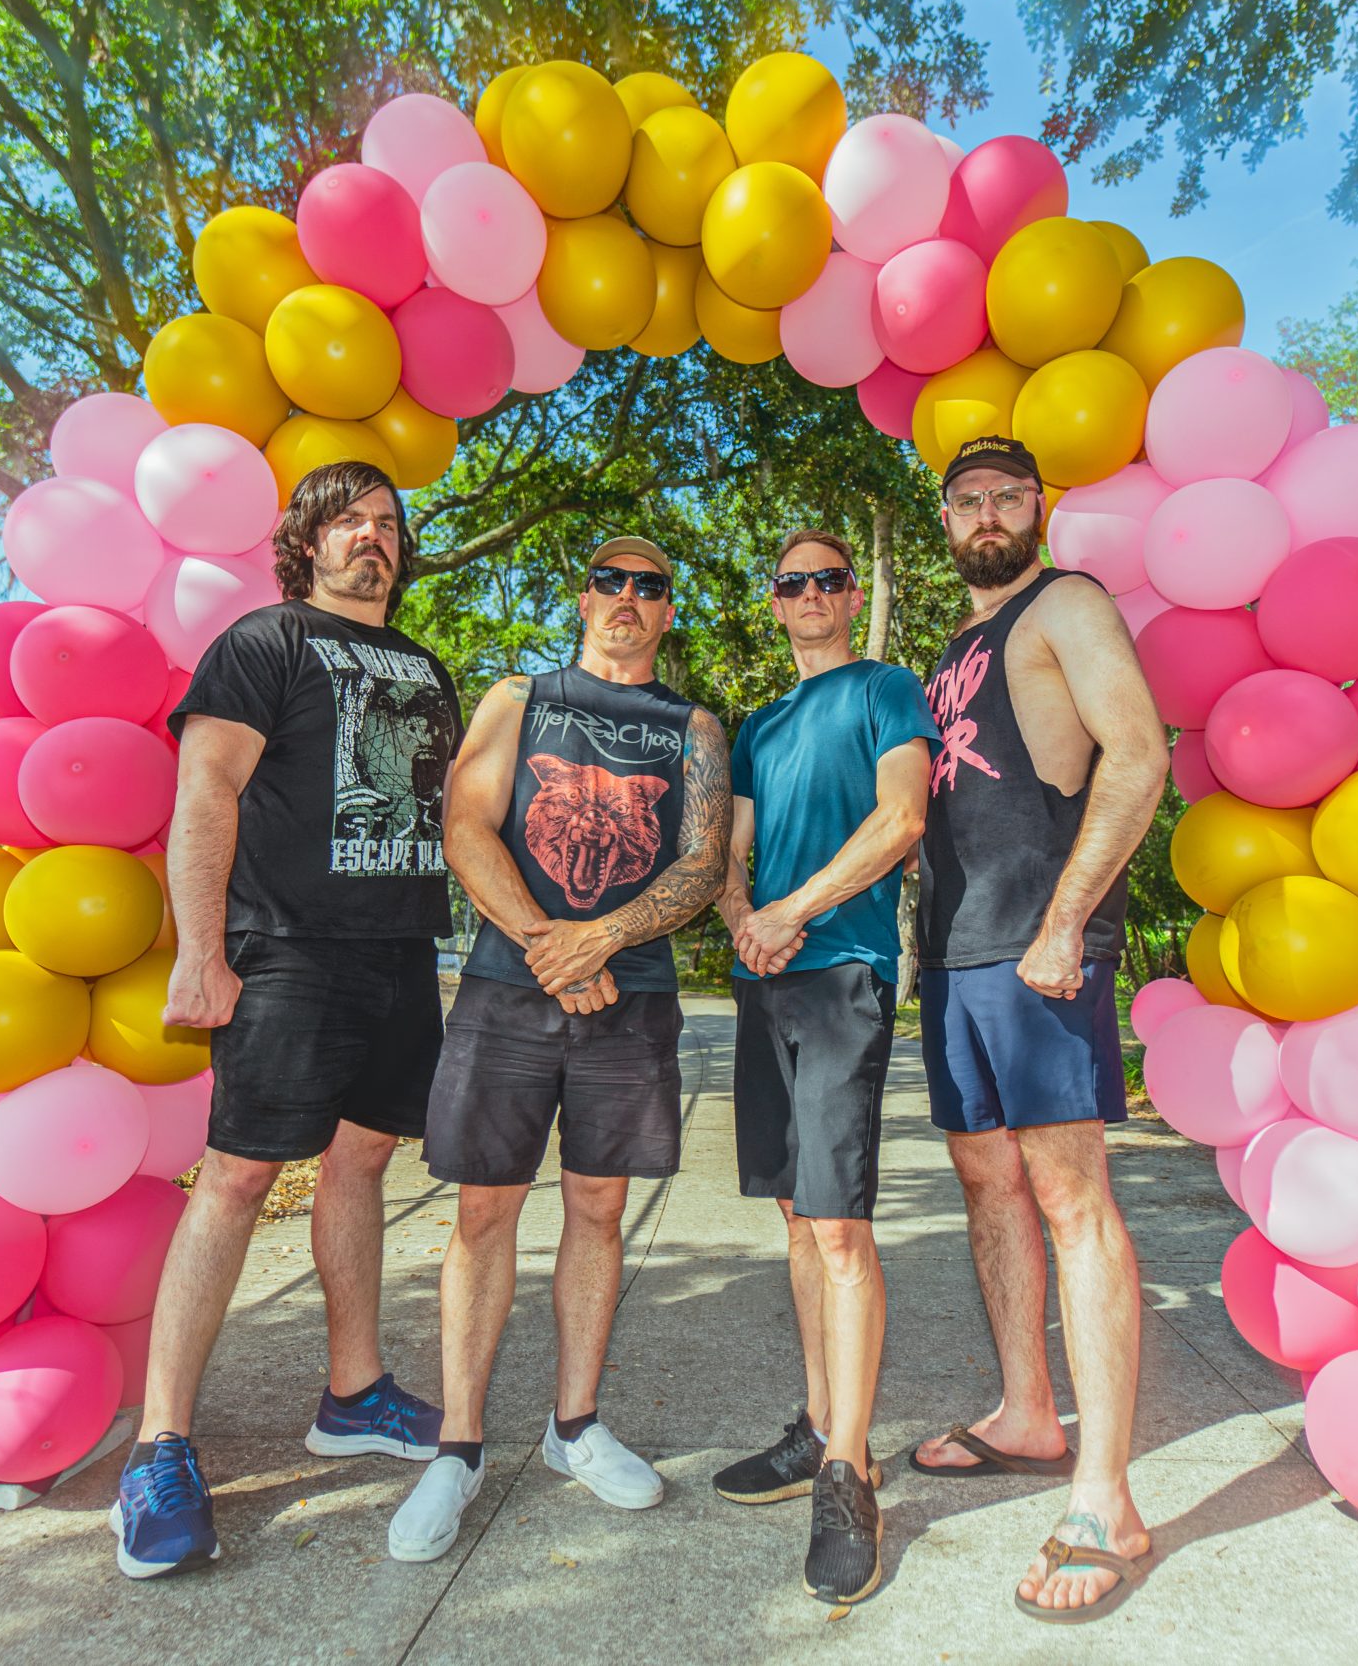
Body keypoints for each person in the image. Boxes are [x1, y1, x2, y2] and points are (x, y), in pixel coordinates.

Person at [111, 461, 461, 1581]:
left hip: (399, 953)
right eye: (349, 522)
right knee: (238, 1176)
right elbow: (206, 788)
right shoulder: (264, 643)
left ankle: (353, 1392)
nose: (373, 537)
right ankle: (158, 1443)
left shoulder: (425, 666)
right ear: (306, 543)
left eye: (388, 523)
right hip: (289, 952)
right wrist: (201, 954)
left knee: (362, 1162)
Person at [387, 535, 731, 1563]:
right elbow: (464, 825)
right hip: (509, 988)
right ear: (582, 595)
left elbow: (704, 860)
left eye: (650, 585)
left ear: (667, 610)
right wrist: (553, 948)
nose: (627, 597)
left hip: (633, 995)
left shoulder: (694, 726)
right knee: (483, 1209)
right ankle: (457, 1445)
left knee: (598, 1206)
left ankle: (573, 1424)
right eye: (609, 579)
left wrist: (606, 938)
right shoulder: (517, 696)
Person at [904, 436, 1171, 1625]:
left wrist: (1067, 919)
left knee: (1071, 1198)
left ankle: (1104, 1496)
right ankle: (1026, 1409)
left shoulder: (1065, 602)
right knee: (987, 1185)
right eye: (967, 497)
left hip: (1038, 946)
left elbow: (1138, 753)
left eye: (1009, 493)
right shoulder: (949, 650)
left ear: (1039, 508)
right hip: (955, 956)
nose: (987, 511)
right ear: (947, 519)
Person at [711, 528, 938, 1606]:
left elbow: (901, 816)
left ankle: (850, 1470)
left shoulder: (888, 687)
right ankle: (815, 1426)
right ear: (776, 601)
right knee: (799, 1216)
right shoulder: (758, 724)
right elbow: (727, 855)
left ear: (850, 596)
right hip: (768, 978)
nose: (808, 592)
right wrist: (741, 922)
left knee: (841, 1222)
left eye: (827, 578)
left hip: (844, 969)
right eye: (790, 579)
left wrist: (790, 913)